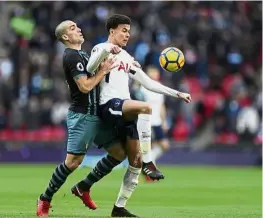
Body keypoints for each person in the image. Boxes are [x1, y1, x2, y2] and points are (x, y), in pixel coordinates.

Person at [74, 13, 191, 215]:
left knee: (133, 163)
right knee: (145, 108)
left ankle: (118, 207)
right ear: (112, 31)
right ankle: (148, 160)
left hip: (124, 109)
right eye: (124, 30)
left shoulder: (127, 57)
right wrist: (106, 52)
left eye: (129, 31)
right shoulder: (101, 48)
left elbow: (148, 82)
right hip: (108, 105)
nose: (127, 35)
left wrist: (176, 93)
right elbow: (90, 68)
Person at [36, 20, 140, 217]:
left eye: (77, 26)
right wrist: (103, 70)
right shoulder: (71, 55)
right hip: (83, 115)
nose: (79, 29)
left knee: (119, 153)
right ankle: (45, 198)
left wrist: (127, 64)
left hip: (98, 114)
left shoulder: (84, 54)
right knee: (73, 163)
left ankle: (83, 187)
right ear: (65, 37)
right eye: (73, 28)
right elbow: (84, 86)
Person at [138, 66, 171, 181]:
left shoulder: (159, 88)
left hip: (157, 121)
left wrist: (164, 121)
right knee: (151, 146)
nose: (154, 74)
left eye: (155, 72)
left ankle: (147, 165)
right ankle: (150, 171)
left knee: (164, 146)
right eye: (152, 72)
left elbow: (161, 106)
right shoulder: (143, 89)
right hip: (147, 121)